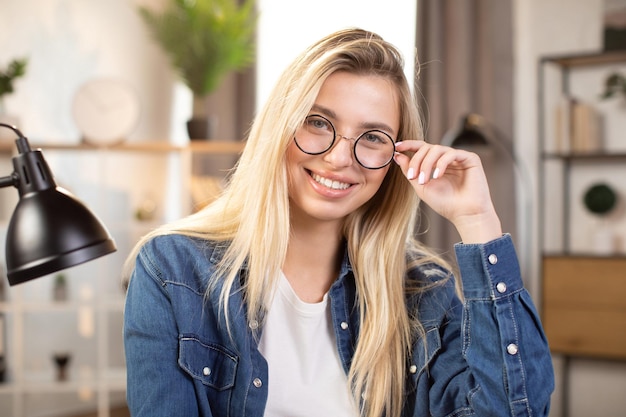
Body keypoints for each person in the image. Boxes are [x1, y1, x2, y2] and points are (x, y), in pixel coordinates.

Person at [122, 28, 554, 417]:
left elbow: (516, 411)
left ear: (395, 159)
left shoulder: (421, 291)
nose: (339, 158)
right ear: (280, 126)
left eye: (372, 137)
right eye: (317, 122)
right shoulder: (171, 270)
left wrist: (478, 221)